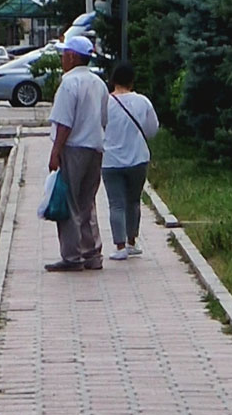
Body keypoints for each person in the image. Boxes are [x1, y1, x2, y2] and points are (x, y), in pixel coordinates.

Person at [45, 33, 108, 272]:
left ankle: (72, 256)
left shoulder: (69, 83)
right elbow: (103, 119)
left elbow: (64, 122)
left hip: (73, 149)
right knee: (87, 202)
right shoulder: (98, 83)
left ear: (72, 56)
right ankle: (92, 253)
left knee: (69, 203)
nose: (62, 59)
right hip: (95, 148)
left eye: (64, 54)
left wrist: (55, 152)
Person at [102, 61, 160, 261]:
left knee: (116, 204)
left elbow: (98, 127)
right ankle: (132, 242)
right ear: (132, 81)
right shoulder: (143, 102)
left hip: (110, 161)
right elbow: (152, 129)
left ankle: (119, 247)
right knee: (133, 201)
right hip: (138, 159)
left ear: (112, 81)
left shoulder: (105, 103)